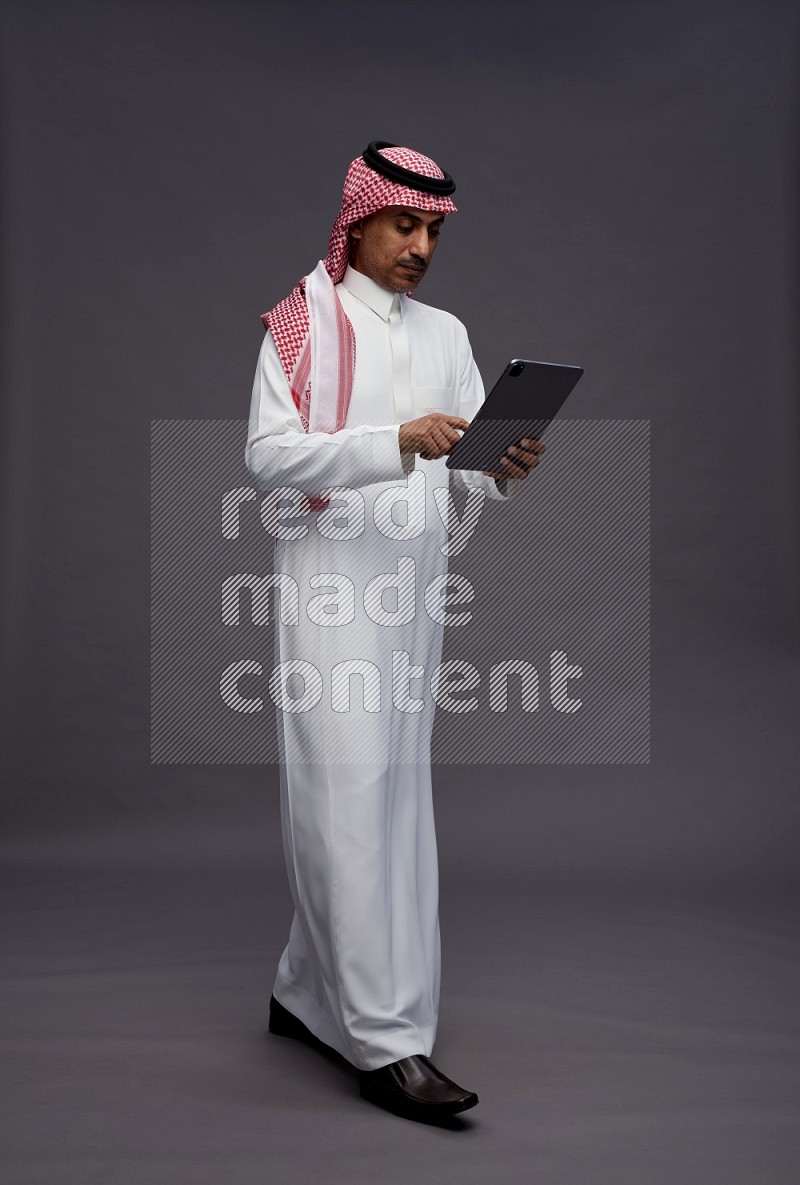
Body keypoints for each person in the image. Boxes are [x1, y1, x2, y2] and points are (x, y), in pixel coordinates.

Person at [245, 141, 543, 1122]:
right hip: (331, 590)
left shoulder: (445, 332)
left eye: (432, 230)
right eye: (403, 224)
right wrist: (392, 440)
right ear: (357, 221)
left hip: (414, 592)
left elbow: (462, 468)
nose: (419, 245)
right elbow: (270, 459)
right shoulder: (302, 321)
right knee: (349, 796)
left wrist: (501, 464)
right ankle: (383, 1042)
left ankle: (300, 989)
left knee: (383, 798)